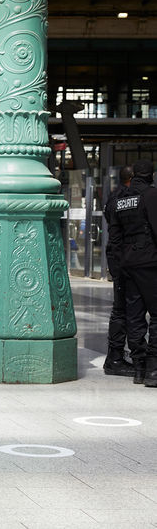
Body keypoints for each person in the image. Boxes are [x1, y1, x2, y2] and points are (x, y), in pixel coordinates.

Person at [108, 159, 157, 386]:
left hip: (127, 264)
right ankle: (153, 369)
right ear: (151, 175)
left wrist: (117, 267)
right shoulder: (151, 195)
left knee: (134, 317)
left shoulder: (121, 200)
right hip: (149, 262)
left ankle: (139, 368)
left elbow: (115, 237)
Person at [102, 165, 135, 377]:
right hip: (126, 258)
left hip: (116, 257)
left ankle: (116, 354)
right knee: (123, 309)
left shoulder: (112, 198)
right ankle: (115, 357)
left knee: (120, 308)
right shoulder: (130, 199)